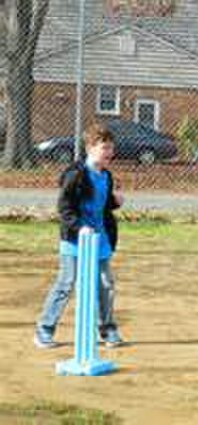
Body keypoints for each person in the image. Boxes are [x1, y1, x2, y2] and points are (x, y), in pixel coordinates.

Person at [34, 123, 125, 349]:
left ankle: (107, 328)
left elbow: (99, 206)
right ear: (91, 148)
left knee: (105, 284)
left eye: (111, 148)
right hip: (75, 240)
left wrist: (114, 202)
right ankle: (44, 329)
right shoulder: (76, 175)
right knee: (67, 282)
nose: (109, 153)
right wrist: (79, 228)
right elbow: (65, 209)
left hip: (99, 239)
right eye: (105, 148)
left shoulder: (106, 176)